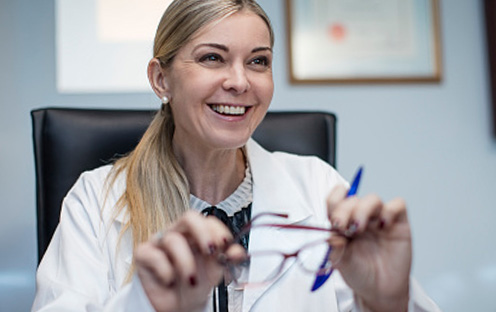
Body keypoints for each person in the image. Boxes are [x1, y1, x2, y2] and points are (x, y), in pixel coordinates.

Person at [32, 0, 441, 311]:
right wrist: (146, 304)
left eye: (258, 61)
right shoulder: (95, 200)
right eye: (213, 57)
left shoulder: (318, 187)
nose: (240, 82)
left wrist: (388, 303)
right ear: (161, 79)